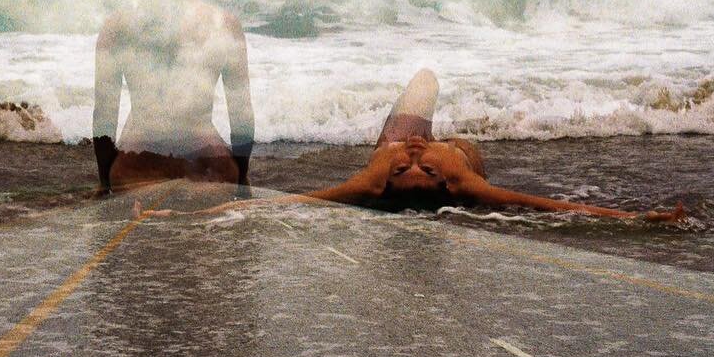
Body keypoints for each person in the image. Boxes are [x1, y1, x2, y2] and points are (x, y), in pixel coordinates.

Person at [142, 68, 685, 222]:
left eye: (408, 172)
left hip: (397, 135)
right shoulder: (459, 175)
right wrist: (631, 218)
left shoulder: (378, 176)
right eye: (414, 170)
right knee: (427, 77)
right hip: (457, 145)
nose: (412, 166)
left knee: (423, 78)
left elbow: (304, 200)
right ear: (443, 185)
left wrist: (209, 211)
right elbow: (536, 204)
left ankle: (410, 121)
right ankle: (458, 131)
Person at [92, 0, 254, 193]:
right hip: (209, 170)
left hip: (137, 170)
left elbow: (103, 119)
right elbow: (242, 118)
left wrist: (106, 181)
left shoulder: (117, 27)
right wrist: (241, 176)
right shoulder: (225, 25)